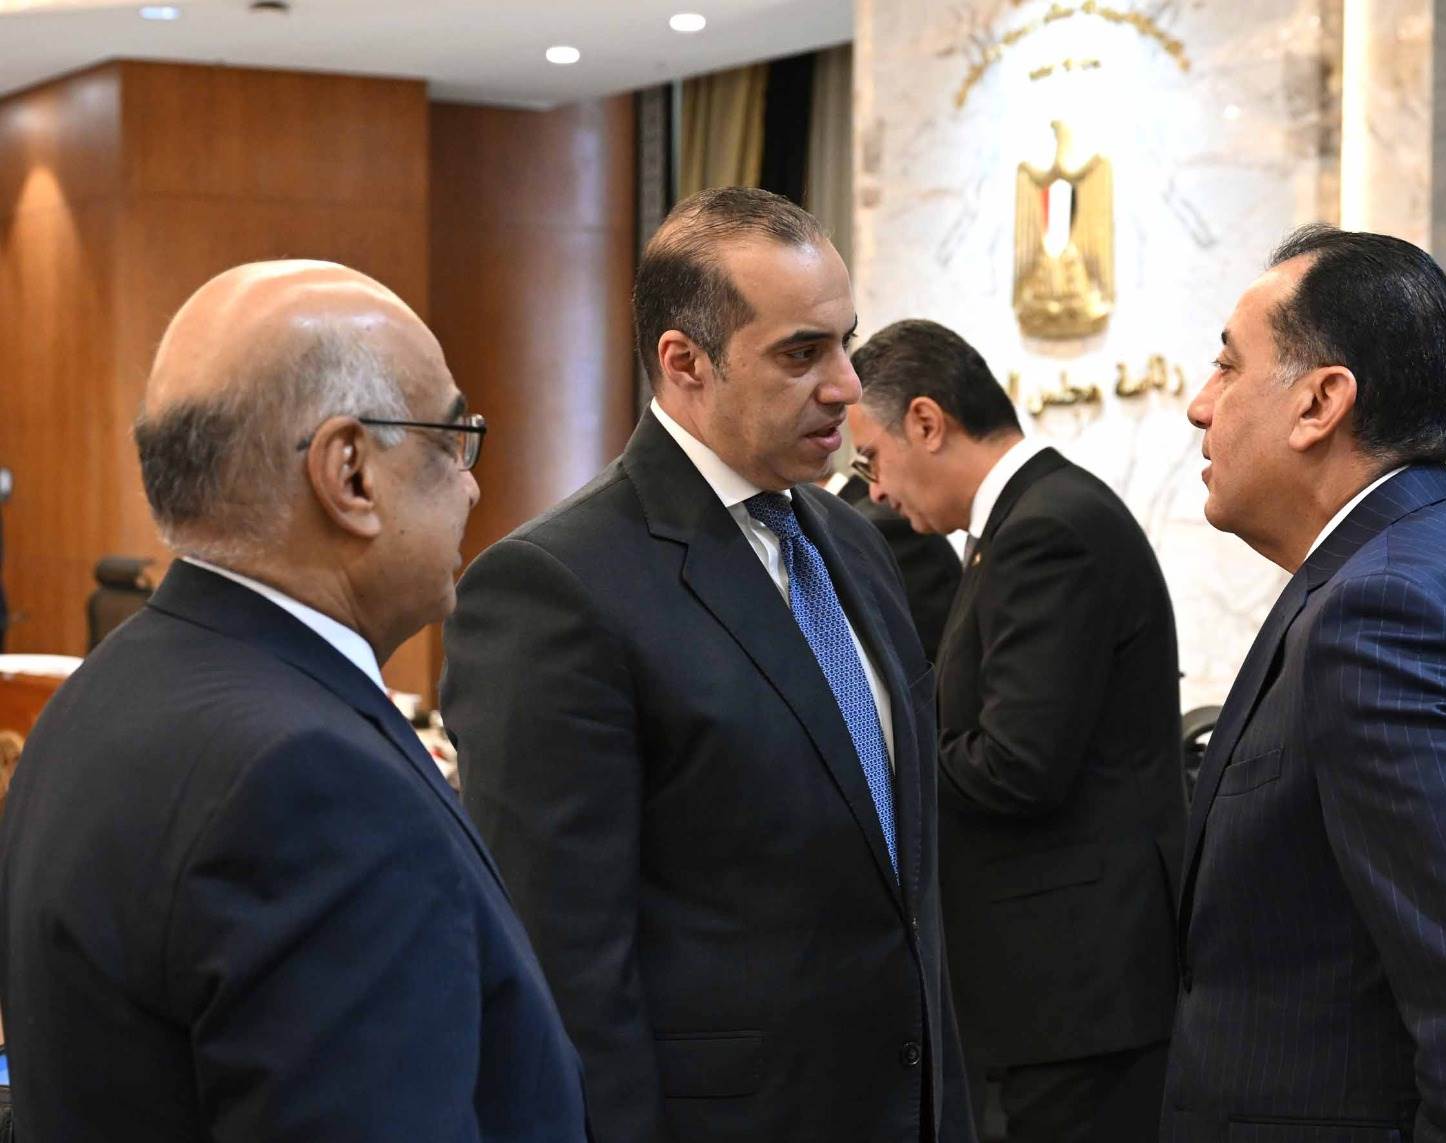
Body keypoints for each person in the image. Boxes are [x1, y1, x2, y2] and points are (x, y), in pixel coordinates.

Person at [0, 261, 587, 1142]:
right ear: (349, 474)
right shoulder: (314, 788)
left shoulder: (102, 692)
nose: (471, 483)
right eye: (451, 438)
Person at [442, 187, 977, 1143]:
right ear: (684, 362)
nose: (847, 387)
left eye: (846, 343)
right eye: (801, 354)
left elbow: (902, 891)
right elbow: (564, 971)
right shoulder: (557, 587)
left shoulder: (856, 545)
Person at [1165, 225, 1446, 1141]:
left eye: (1228, 366)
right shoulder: (1429, 564)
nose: (1200, 406)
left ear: (1320, 402)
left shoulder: (1386, 612)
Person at [849, 319, 1186, 1143]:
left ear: (926, 422)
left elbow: (1017, 763)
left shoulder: (1046, 529)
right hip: (1062, 993)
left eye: (871, 459)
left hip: (1081, 997)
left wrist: (877, 756)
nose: (876, 491)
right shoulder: (1019, 524)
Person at [826, 468, 963, 663]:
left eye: (872, 459)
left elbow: (924, 651)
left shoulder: (878, 524)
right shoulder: (856, 518)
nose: (876, 491)